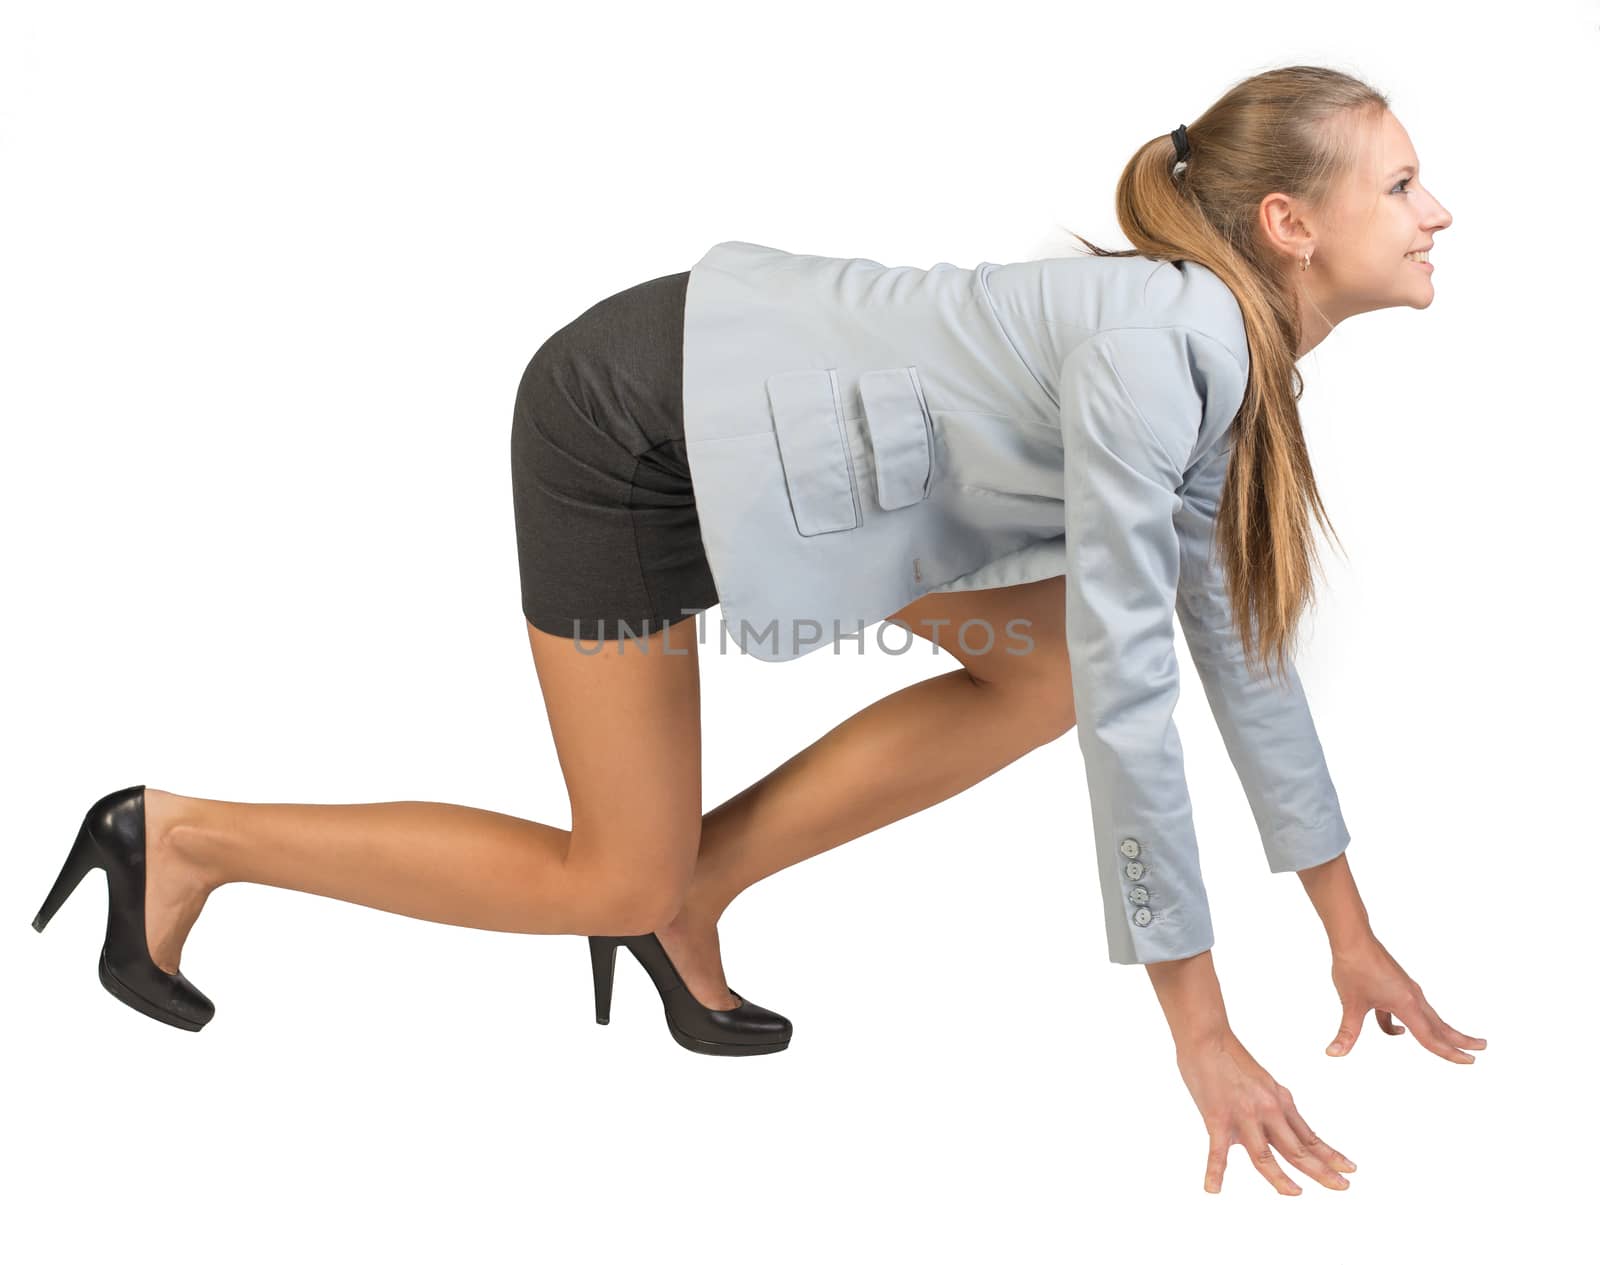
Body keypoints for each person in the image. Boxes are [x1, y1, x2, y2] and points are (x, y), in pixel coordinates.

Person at [33, 64, 1484, 1194]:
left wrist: (1349, 938)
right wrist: (1200, 1030)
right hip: (636, 430)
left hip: (792, 453)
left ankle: (695, 890)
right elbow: (1133, 700)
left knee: (1037, 670)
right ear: (1288, 227)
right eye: (1406, 184)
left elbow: (1233, 650)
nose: (1438, 214)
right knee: (613, 869)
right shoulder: (1159, 352)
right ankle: (184, 836)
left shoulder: (1215, 356)